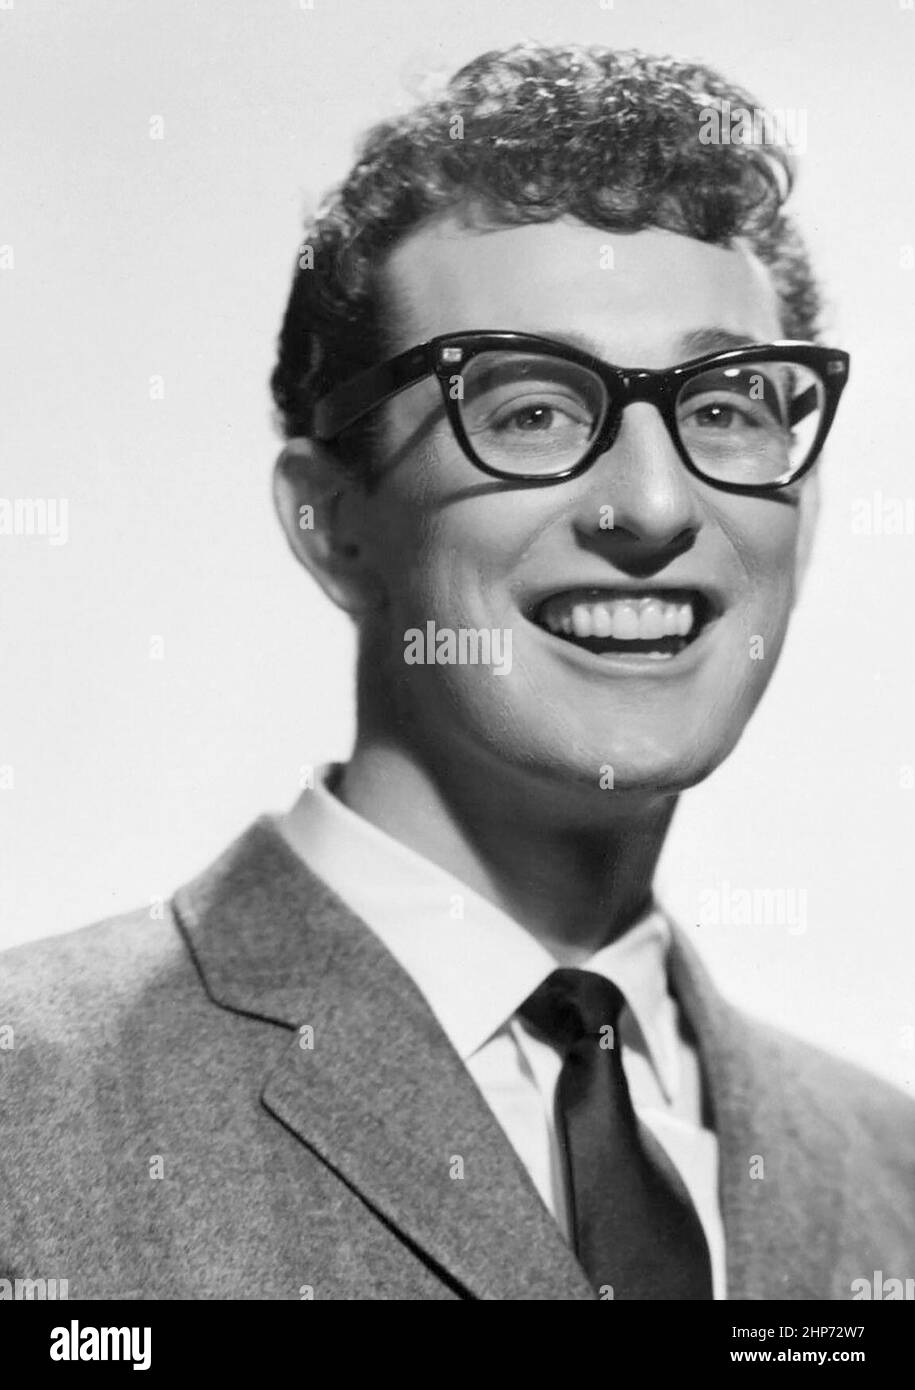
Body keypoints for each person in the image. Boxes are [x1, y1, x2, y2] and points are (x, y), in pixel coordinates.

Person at [2, 43, 912, 1302]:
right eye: (532, 408)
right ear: (334, 523)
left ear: (802, 519)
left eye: (722, 408)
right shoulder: (25, 1109)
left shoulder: (895, 1176)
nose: (652, 503)